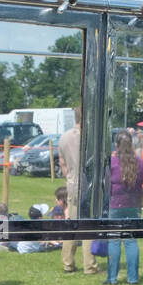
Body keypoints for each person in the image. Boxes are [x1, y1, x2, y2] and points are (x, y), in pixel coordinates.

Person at [104, 132, 143, 285]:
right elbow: (142, 181)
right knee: (131, 241)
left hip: (115, 204)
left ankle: (112, 278)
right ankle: (133, 278)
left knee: (114, 241)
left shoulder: (112, 162)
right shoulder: (139, 162)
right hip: (134, 205)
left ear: (116, 145)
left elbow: (106, 183)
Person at [58, 109, 94, 274]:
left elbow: (62, 163)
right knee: (88, 226)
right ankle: (89, 265)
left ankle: (68, 263)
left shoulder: (64, 137)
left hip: (72, 184)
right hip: (89, 184)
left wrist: (70, 177)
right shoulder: (91, 137)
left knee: (71, 224)